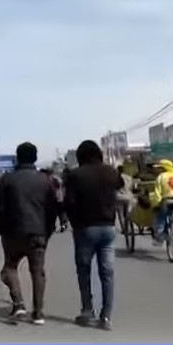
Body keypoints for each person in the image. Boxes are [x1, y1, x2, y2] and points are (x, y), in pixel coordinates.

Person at [0, 142, 57, 325]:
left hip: (12, 233)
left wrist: (2, 230)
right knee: (38, 272)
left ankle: (19, 304)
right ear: (35, 158)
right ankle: (38, 313)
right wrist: (48, 230)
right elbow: (53, 208)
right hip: (38, 233)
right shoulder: (46, 180)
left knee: (10, 268)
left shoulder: (6, 180)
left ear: (17, 158)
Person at [63, 140, 121, 331]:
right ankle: (106, 316)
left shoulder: (75, 175)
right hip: (108, 228)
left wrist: (74, 222)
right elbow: (120, 185)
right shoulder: (110, 172)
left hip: (85, 228)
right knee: (107, 272)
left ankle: (87, 311)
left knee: (84, 271)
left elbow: (69, 203)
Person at [149, 159, 173, 245]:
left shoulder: (161, 177)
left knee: (160, 217)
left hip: (167, 199)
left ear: (163, 168)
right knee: (171, 212)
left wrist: (156, 203)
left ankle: (159, 238)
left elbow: (157, 192)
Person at [115, 165, 135, 234]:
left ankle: (124, 229)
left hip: (119, 197)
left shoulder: (116, 177)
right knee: (128, 213)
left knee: (121, 213)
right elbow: (132, 188)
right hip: (129, 197)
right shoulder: (129, 177)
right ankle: (129, 226)